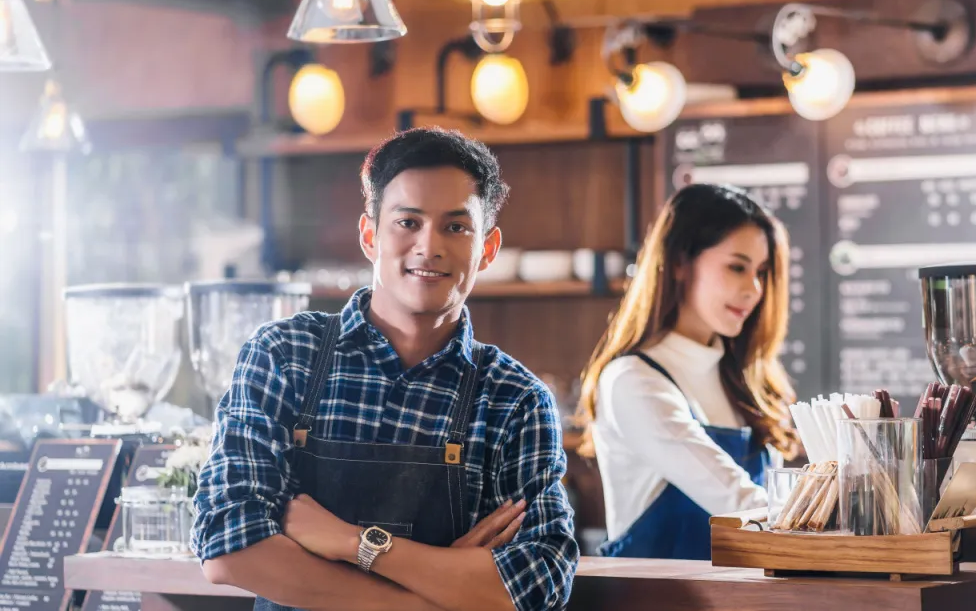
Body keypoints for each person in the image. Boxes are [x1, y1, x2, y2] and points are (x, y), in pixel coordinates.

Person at [191, 128, 579, 611]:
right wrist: (426, 598)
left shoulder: (514, 399)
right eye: (407, 222)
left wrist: (354, 542)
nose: (429, 246)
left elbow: (539, 581)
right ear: (370, 235)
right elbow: (229, 546)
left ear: (488, 248)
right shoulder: (285, 355)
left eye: (456, 227)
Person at [577, 183, 799, 560]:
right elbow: (736, 499)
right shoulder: (633, 379)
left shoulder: (744, 380)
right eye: (737, 267)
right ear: (680, 262)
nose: (754, 289)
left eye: (761, 272)